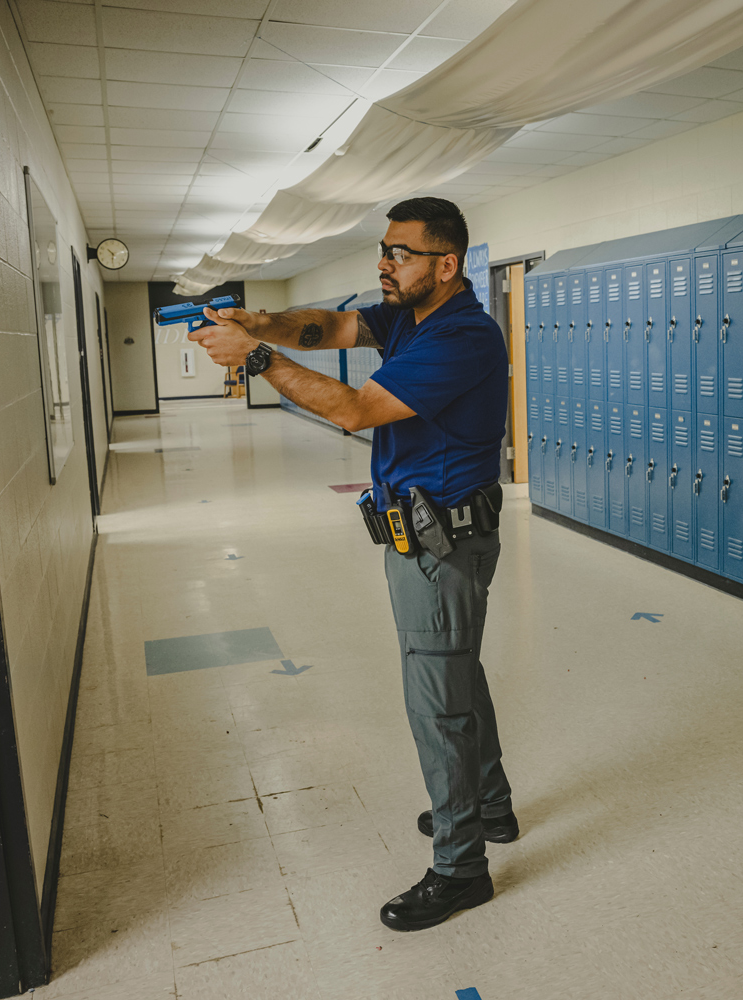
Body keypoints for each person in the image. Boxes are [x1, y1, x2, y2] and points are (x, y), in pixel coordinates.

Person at [189, 197, 519, 927]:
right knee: (454, 671)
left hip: (443, 543)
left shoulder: (462, 335)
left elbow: (353, 411)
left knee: (438, 702)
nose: (383, 263)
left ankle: (461, 868)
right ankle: (489, 808)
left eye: (398, 253)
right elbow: (330, 326)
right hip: (426, 536)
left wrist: (258, 358)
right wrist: (257, 323)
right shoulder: (408, 316)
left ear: (446, 264)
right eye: (384, 249)